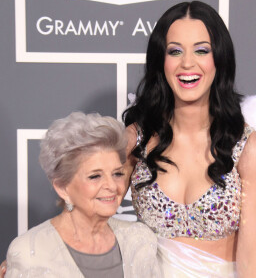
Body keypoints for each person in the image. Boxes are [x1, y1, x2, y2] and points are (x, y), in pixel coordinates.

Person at [123, 1, 256, 277]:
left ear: (219, 59)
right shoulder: (135, 139)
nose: (187, 63)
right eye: (175, 51)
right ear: (161, 61)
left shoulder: (248, 149)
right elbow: (89, 218)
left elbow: (252, 262)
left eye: (202, 50)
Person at [3, 111, 162, 278]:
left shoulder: (140, 241)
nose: (111, 186)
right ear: (62, 187)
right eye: (95, 176)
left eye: (117, 174)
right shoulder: (29, 252)